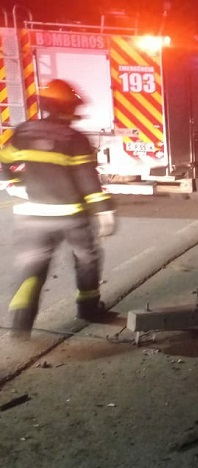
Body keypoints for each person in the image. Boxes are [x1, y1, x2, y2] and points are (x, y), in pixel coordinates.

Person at [0, 79, 117, 339]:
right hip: (70, 216)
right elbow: (88, 179)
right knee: (86, 259)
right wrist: (104, 211)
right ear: (68, 108)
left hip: (33, 217)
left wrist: (12, 181)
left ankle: (21, 322)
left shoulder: (23, 132)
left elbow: (4, 160)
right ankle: (88, 309)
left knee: (33, 266)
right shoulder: (75, 139)